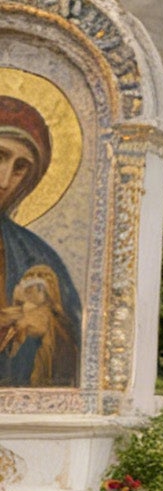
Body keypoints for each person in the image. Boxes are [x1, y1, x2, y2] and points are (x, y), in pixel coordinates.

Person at [0, 97, 81, 387]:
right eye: (0, 156)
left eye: (20, 167)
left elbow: (79, 359)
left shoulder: (35, 256)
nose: (5, 180)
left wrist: (49, 331)